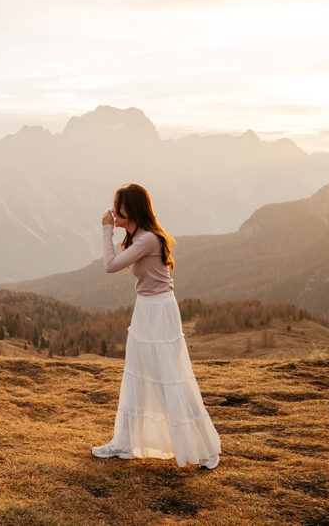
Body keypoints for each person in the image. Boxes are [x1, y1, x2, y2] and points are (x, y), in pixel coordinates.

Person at [91, 184, 221, 470]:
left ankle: (205, 449)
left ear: (131, 209)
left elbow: (110, 266)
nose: (113, 210)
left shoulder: (148, 239)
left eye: (118, 205)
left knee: (170, 377)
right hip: (146, 308)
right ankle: (125, 442)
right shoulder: (139, 236)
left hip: (160, 311)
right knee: (137, 374)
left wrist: (106, 230)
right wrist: (117, 230)